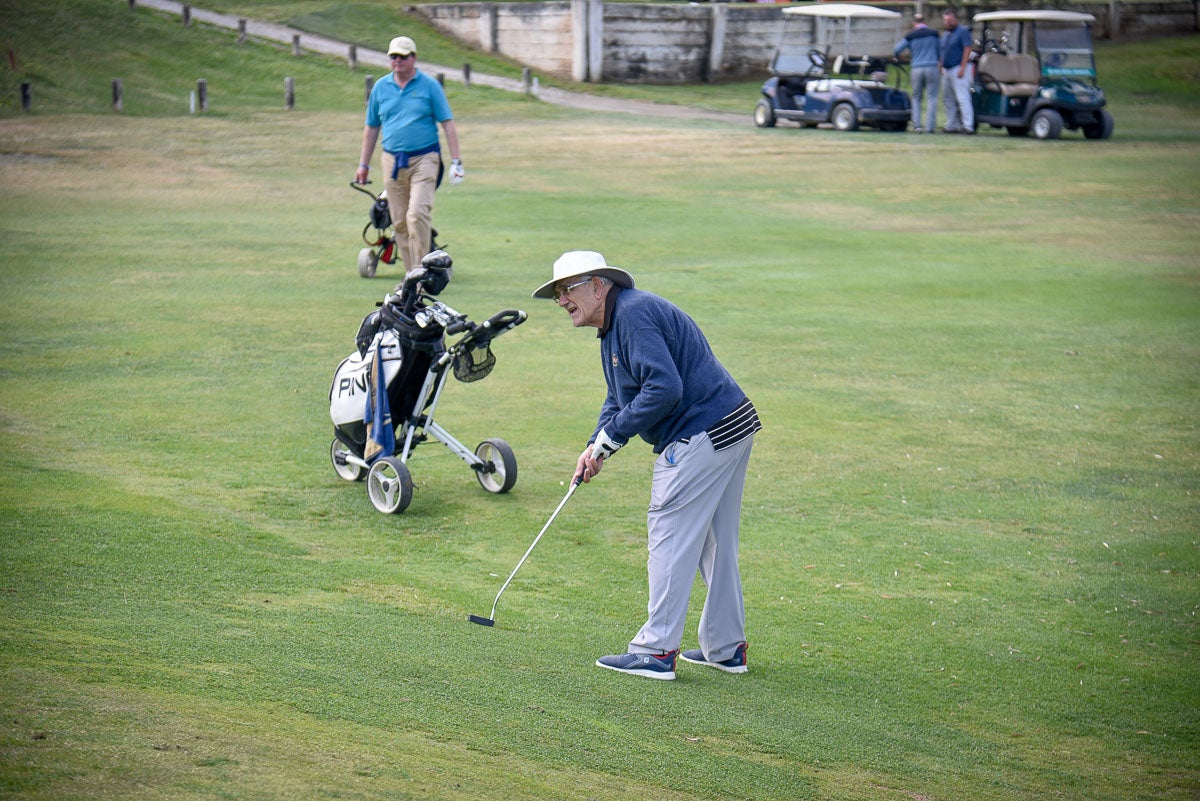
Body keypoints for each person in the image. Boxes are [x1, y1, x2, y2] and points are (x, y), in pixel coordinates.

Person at [532, 251, 762, 681]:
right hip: (732, 424)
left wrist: (613, 436)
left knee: (669, 531)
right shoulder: (615, 324)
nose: (561, 301)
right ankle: (726, 648)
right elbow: (620, 395)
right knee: (715, 541)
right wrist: (596, 446)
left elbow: (663, 389)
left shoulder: (633, 316)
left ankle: (656, 650)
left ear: (597, 285)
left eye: (566, 290)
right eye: (558, 293)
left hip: (702, 431)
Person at [355, 36, 464, 273]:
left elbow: (447, 123)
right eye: (393, 56)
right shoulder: (381, 87)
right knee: (400, 222)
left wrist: (456, 161)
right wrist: (363, 165)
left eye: (403, 56)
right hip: (392, 160)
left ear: (413, 58)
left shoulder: (429, 86)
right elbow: (372, 127)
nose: (397, 60)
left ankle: (422, 272)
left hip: (425, 158)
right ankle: (410, 277)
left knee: (416, 214)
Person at [894, 14, 940, 133]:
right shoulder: (934, 34)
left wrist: (899, 57)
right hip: (932, 67)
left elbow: (897, 49)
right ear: (924, 21)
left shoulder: (910, 36)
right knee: (932, 97)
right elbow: (939, 50)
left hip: (917, 68)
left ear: (914, 23)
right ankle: (930, 127)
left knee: (916, 97)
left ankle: (917, 125)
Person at [940, 10, 975, 134]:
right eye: (945, 20)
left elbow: (967, 49)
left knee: (962, 98)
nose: (947, 23)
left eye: (949, 20)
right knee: (948, 99)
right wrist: (941, 66)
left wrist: (963, 67)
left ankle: (968, 126)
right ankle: (951, 125)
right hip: (947, 69)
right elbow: (943, 51)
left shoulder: (962, 32)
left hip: (958, 68)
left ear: (955, 19)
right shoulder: (946, 34)